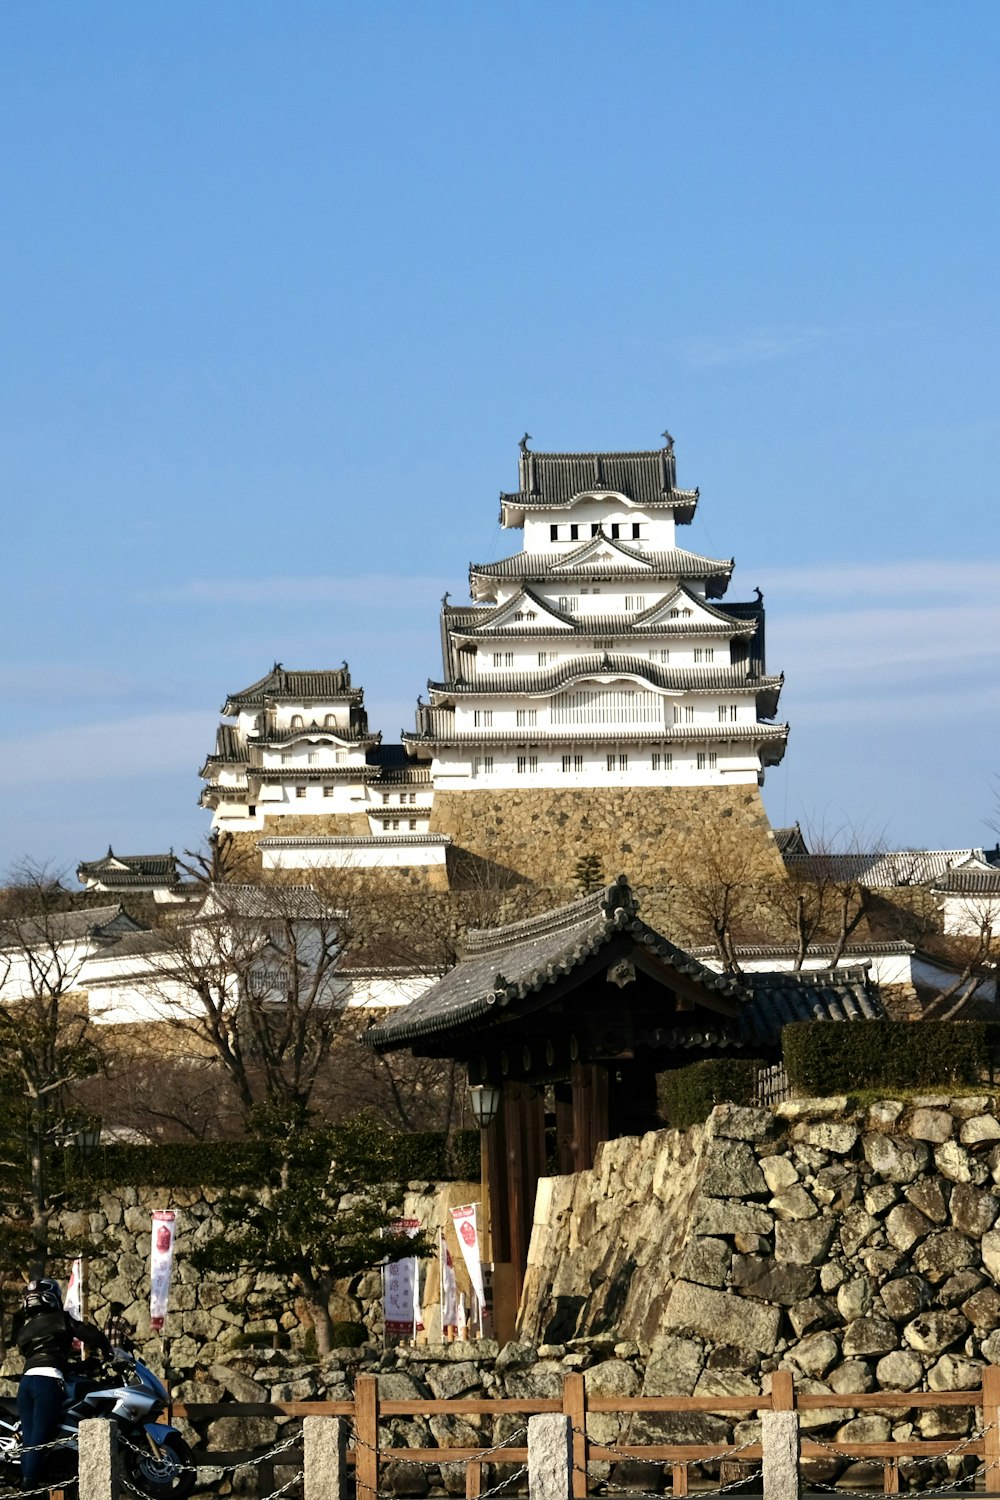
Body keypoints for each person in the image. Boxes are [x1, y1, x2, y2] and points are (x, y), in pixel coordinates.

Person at [11, 1277, 111, 1490]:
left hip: (27, 1382)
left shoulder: (25, 1331)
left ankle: (28, 1480)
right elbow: (88, 1334)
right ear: (52, 1299)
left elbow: (48, 1356)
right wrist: (106, 1348)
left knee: (29, 1436)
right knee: (41, 1434)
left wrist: (82, 1366)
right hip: (48, 1382)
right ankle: (30, 1485)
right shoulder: (60, 1319)